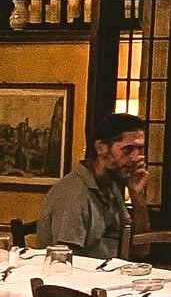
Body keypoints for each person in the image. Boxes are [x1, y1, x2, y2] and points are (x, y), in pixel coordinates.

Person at [37, 111, 150, 260]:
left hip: (113, 273)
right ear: (100, 148)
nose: (137, 157)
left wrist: (137, 196)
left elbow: (140, 250)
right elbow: (62, 261)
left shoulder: (109, 184)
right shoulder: (74, 194)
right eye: (128, 149)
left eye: (140, 149)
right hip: (81, 279)